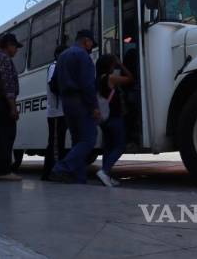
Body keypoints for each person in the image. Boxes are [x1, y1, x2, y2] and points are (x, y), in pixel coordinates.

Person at [49, 30, 100, 184]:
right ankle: (61, 168)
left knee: (77, 141)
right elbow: (87, 85)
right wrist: (94, 106)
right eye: (91, 43)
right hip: (81, 102)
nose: (91, 47)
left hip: (67, 102)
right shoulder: (83, 56)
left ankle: (79, 177)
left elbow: (53, 84)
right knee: (89, 139)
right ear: (86, 41)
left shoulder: (62, 56)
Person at [95, 54, 134, 187]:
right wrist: (121, 65)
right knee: (120, 146)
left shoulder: (97, 80)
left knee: (108, 147)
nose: (114, 65)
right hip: (115, 117)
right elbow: (130, 79)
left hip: (104, 119)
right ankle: (104, 171)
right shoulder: (110, 78)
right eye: (112, 63)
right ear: (109, 65)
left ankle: (106, 175)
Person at [0, 33, 23, 181]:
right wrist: (13, 108)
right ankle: (4, 171)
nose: (16, 50)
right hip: (5, 103)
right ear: (8, 45)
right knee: (6, 137)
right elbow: (7, 85)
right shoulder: (4, 59)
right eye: (15, 46)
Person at [41, 44, 68, 180]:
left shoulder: (60, 67)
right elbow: (54, 86)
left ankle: (53, 172)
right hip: (56, 112)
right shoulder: (54, 67)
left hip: (60, 112)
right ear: (58, 55)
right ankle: (51, 173)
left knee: (58, 143)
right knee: (55, 144)